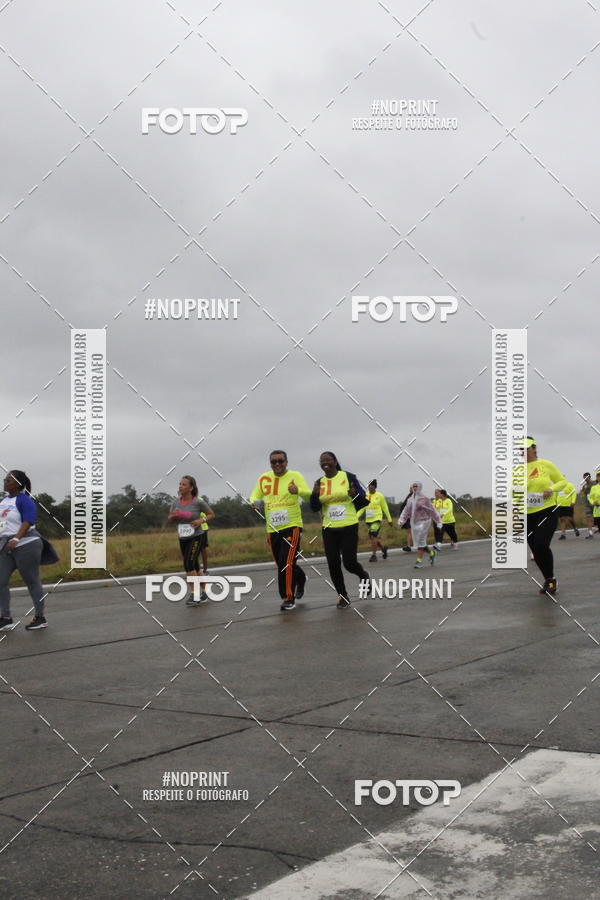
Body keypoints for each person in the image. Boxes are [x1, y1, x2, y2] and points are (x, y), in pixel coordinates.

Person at [250, 451, 311, 611]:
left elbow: (309, 496)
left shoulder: (295, 476)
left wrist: (297, 490)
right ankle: (301, 578)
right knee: (282, 564)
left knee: (287, 563)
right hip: (273, 529)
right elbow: (255, 495)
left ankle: (287, 598)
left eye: (280, 461)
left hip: (292, 526)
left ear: (286, 462)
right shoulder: (264, 478)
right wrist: (253, 502)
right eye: (274, 461)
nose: (277, 464)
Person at [310, 451, 370, 608]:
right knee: (333, 563)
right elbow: (314, 507)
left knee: (349, 563)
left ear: (335, 461)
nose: (325, 463)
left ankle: (363, 576)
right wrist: (315, 495)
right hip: (329, 529)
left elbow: (364, 502)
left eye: (328, 459)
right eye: (322, 460)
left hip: (349, 526)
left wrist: (355, 494)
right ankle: (342, 596)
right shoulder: (319, 482)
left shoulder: (348, 477)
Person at [0, 470, 57, 631]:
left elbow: (28, 521)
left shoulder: (25, 500)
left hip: (27, 544)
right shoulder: (4, 501)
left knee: (31, 581)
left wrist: (16, 538)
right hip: (7, 546)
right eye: (5, 479)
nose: (5, 482)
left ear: (18, 484)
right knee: (0, 581)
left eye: (9, 480)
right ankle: (5, 618)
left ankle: (40, 618)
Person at [524, 437, 567, 595]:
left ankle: (551, 580)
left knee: (541, 546)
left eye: (526, 449)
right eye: (520, 450)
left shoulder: (545, 465)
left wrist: (551, 489)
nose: (522, 452)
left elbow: (562, 481)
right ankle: (549, 579)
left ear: (533, 449)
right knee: (535, 551)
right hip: (527, 514)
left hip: (546, 511)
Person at [168, 476, 214, 607]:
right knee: (194, 566)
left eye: (183, 484)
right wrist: (173, 516)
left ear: (191, 488)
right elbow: (169, 518)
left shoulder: (198, 502)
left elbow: (211, 514)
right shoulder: (175, 502)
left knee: (188, 564)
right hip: (183, 537)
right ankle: (204, 592)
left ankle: (195, 594)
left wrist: (200, 520)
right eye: (180, 484)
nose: (180, 486)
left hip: (197, 536)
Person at [398, 482, 441, 569]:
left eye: (416, 486)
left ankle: (419, 561)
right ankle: (432, 553)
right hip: (414, 523)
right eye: (413, 486)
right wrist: (402, 520)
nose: (414, 488)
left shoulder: (425, 499)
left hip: (424, 522)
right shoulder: (410, 500)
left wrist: (438, 521)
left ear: (420, 487)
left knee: (421, 541)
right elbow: (406, 511)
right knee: (419, 543)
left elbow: (432, 510)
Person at [357, 479, 392, 562]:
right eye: (369, 486)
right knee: (373, 538)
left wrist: (389, 519)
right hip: (368, 520)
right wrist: (356, 517)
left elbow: (385, 508)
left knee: (373, 536)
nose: (370, 487)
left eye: (371, 485)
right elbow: (362, 508)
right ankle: (383, 548)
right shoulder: (365, 495)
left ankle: (374, 555)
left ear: (375, 487)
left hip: (377, 519)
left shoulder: (380, 496)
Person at [579, 473, 595, 538]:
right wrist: (582, 492)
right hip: (587, 504)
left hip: (595, 503)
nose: (585, 479)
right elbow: (582, 495)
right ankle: (590, 533)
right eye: (584, 478)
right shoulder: (584, 485)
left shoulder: (595, 483)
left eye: (586, 478)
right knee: (588, 518)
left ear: (589, 477)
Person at [587, 471, 600, 537]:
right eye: (598, 476)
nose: (599, 477)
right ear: (597, 478)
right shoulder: (594, 488)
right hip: (597, 509)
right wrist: (593, 502)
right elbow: (590, 497)